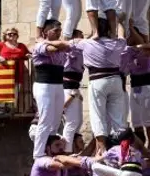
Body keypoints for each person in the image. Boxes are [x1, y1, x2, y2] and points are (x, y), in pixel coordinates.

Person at [70, 19, 127, 151]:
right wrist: (119, 22)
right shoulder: (117, 43)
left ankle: (101, 151)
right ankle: (123, 151)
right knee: (119, 119)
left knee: (98, 116)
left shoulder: (86, 43)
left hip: (98, 80)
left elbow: (66, 42)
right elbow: (122, 35)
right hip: (116, 80)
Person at [31, 20, 72, 160]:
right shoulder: (39, 45)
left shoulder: (55, 44)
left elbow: (66, 46)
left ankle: (50, 149)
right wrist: (46, 41)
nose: (59, 33)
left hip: (58, 84)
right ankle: (38, 153)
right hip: (44, 85)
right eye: (55, 30)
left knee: (56, 120)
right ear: (45, 31)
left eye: (59, 31)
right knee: (46, 118)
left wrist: (62, 43)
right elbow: (54, 49)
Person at [61, 29, 85, 153]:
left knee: (78, 122)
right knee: (72, 122)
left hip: (74, 86)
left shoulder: (80, 50)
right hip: (68, 86)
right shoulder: (70, 48)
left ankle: (73, 149)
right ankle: (67, 151)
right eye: (81, 35)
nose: (83, 38)